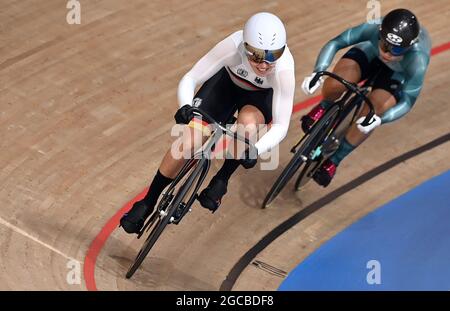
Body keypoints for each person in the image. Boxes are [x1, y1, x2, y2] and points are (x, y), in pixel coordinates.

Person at [120, 12, 295, 234]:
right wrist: (185, 106)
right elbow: (191, 78)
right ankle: (147, 201)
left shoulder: (284, 70)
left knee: (247, 126)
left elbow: (281, 125)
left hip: (259, 98)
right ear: (245, 46)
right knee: (188, 142)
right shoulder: (232, 46)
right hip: (225, 86)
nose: (264, 65)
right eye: (257, 56)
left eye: (273, 56)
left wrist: (256, 149)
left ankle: (222, 179)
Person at [300, 8, 431, 187]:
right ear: (380, 34)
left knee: (371, 113)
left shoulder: (418, 60)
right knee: (338, 82)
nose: (388, 54)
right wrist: (318, 72)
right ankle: (324, 106)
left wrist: (379, 119)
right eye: (385, 45)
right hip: (369, 54)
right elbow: (336, 43)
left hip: (396, 75)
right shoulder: (373, 27)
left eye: (397, 50)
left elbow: (408, 101)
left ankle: (335, 160)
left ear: (409, 48)